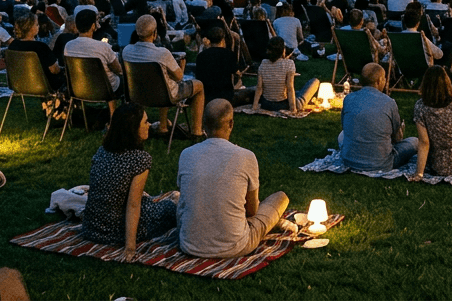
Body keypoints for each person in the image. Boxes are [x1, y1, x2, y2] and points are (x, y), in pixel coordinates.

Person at [176, 100, 291, 258]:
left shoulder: (186, 154)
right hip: (234, 246)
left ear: (204, 124)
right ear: (231, 124)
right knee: (280, 198)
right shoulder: (246, 156)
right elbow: (252, 211)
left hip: (190, 244)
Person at [81, 103, 177, 259]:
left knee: (152, 203)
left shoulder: (102, 151)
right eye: (145, 122)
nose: (149, 125)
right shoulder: (140, 159)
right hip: (116, 231)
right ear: (133, 128)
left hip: (91, 228)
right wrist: (130, 247)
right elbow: (133, 204)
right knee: (169, 208)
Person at [122, 15, 204, 138]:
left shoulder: (126, 51)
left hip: (137, 94)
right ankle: (196, 131)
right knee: (199, 85)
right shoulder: (162, 53)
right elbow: (179, 77)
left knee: (162, 79)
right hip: (164, 96)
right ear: (155, 33)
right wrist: (181, 66)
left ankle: (163, 126)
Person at [338, 63, 418, 171]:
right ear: (379, 81)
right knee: (415, 141)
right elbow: (396, 138)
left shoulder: (348, 99)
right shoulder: (389, 103)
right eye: (384, 78)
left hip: (349, 160)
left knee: (341, 136)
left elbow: (345, 126)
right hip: (382, 163)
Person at [64, 9, 123, 98]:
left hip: (80, 88)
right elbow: (118, 70)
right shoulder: (103, 47)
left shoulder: (68, 46)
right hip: (106, 90)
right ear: (92, 26)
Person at [7, 12, 65, 91]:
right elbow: (54, 70)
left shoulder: (13, 45)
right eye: (37, 24)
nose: (38, 26)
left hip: (19, 84)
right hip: (42, 85)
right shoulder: (40, 47)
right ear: (30, 28)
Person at [193, 26, 243, 105]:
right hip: (225, 95)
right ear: (223, 39)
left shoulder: (201, 56)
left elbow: (198, 75)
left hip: (207, 95)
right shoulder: (229, 54)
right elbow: (237, 73)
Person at [251, 37, 298, 113]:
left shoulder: (263, 63)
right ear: (283, 50)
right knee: (311, 85)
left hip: (266, 104)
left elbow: (259, 87)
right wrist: (293, 109)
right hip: (282, 104)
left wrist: (254, 106)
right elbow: (290, 88)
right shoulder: (289, 64)